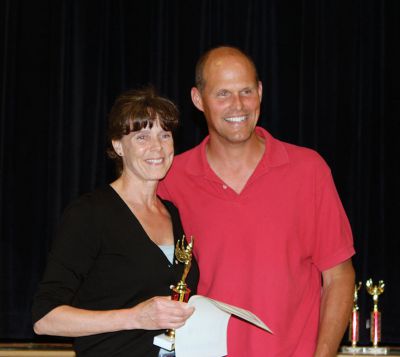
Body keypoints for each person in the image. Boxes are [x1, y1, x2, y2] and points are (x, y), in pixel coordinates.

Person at [158, 46, 355, 356]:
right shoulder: (171, 178)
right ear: (198, 99)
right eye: (223, 94)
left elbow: (339, 276)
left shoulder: (308, 170)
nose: (238, 105)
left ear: (260, 92)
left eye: (246, 91)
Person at [32, 87, 199, 357]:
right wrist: (135, 318)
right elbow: (45, 319)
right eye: (142, 136)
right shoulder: (90, 213)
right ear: (118, 146)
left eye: (164, 135)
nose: (157, 147)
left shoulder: (172, 213)